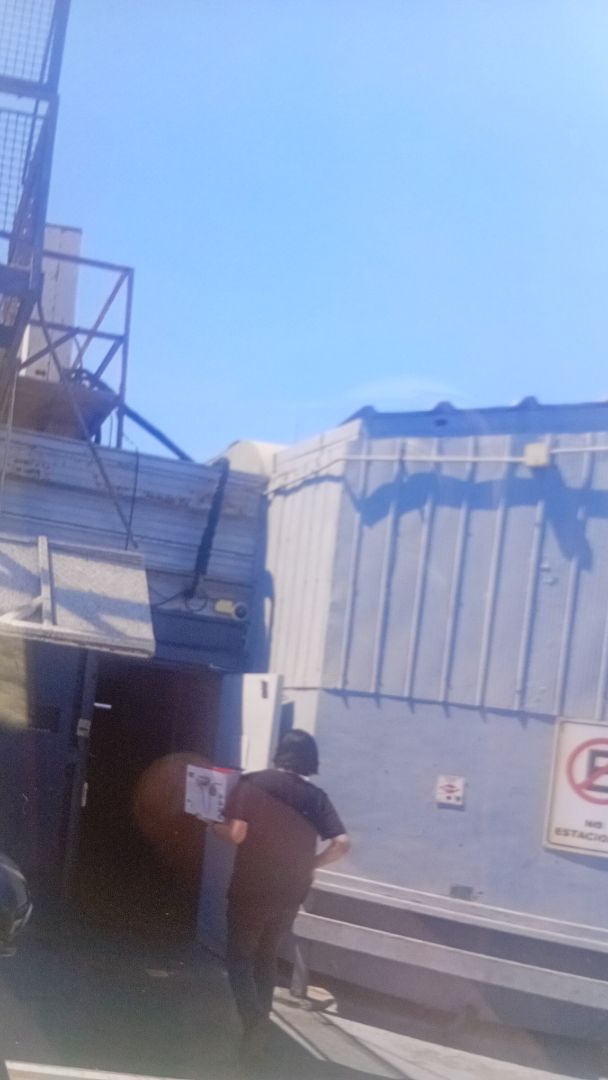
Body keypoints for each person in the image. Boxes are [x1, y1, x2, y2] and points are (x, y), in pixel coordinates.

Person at [213, 729, 350, 1060]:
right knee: (266, 956)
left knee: (239, 957)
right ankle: (260, 1025)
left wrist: (212, 825)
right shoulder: (316, 797)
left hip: (251, 886)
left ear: (280, 753)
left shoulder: (252, 783)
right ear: (310, 759)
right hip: (291, 891)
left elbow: (237, 834)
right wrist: (310, 864)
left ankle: (254, 1020)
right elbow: (342, 844)